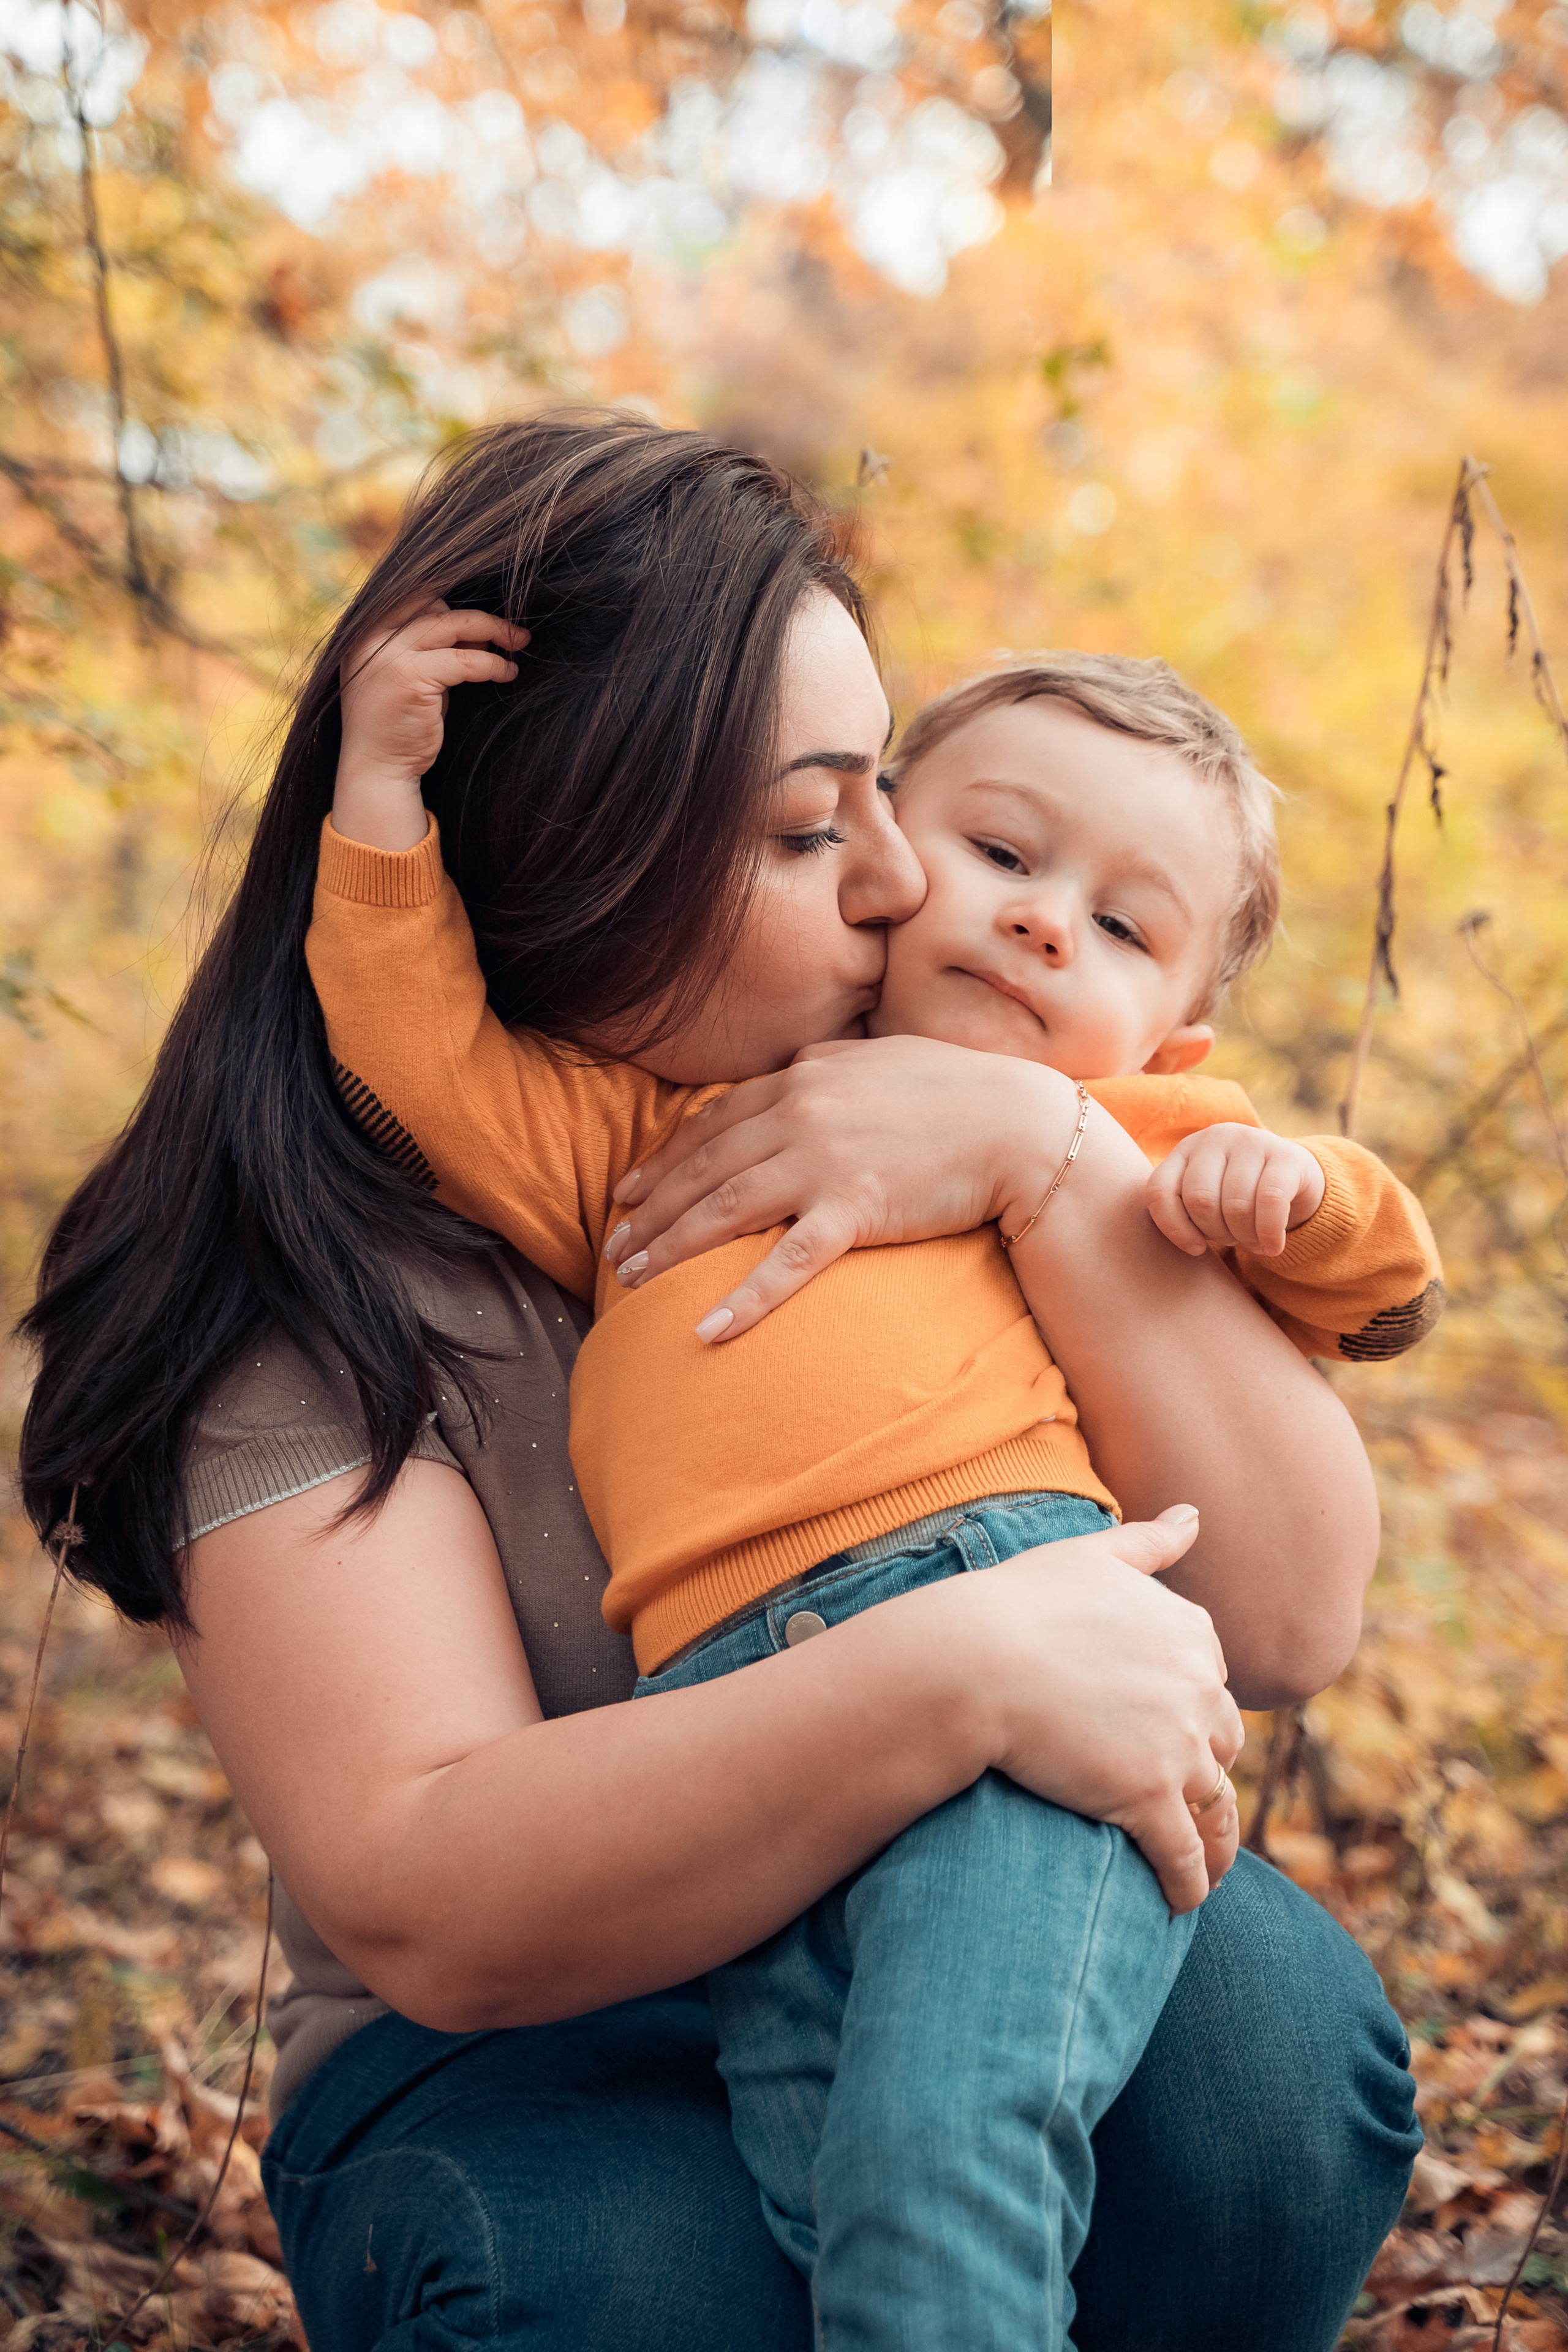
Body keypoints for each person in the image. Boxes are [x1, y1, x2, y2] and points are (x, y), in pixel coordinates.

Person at [18, 415, 1423, 2351]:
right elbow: (431, 1898)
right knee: (632, 2285)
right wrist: (959, 1667)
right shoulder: (358, 1265)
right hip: (534, 2036)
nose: (906, 882)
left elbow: (1294, 1614)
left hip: (965, 1883)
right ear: (572, 857)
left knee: (1263, 2061)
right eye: (810, 828)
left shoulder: (1031, 1132)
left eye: (884, 794)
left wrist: (1043, 1153)